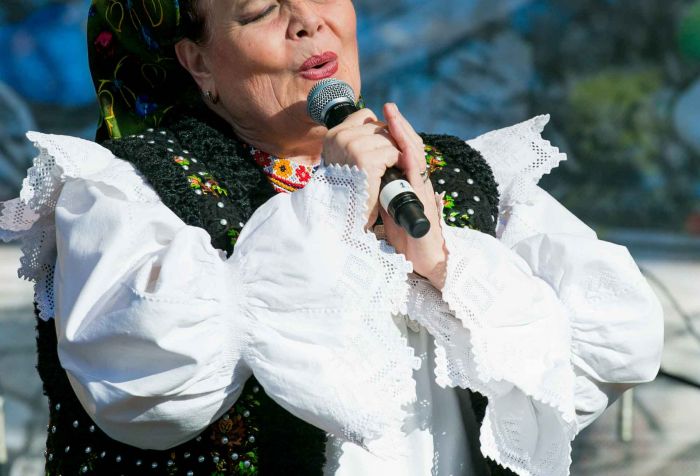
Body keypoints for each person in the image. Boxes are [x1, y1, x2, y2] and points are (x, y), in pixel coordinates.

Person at [0, 1, 663, 475]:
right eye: (260, 11)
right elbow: (150, 381)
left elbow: (617, 341)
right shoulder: (126, 193)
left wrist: (445, 263)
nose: (307, 20)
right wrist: (330, 206)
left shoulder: (460, 175)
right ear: (198, 62)